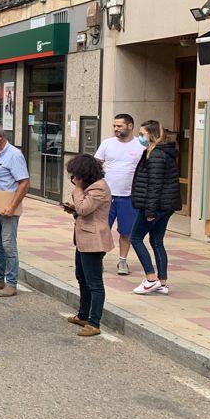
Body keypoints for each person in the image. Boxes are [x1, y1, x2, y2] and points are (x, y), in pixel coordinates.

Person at [62, 154, 113, 337]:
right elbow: (82, 210)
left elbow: (84, 209)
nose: (73, 179)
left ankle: (94, 322)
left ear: (84, 174)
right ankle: (83, 315)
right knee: (81, 277)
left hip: (94, 241)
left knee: (95, 283)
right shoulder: (90, 187)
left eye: (75, 175)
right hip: (83, 239)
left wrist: (77, 189)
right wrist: (73, 207)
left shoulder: (98, 188)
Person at [129, 120, 180, 295]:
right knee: (157, 241)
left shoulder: (156, 155)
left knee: (135, 238)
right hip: (165, 206)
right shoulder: (163, 152)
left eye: (142, 133)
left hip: (155, 206)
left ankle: (151, 279)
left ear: (151, 134)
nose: (139, 137)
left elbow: (155, 185)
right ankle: (163, 283)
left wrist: (150, 211)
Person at [0, 122, 30, 298]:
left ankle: (11, 283)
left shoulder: (14, 155)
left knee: (9, 245)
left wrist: (12, 206)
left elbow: (24, 182)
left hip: (7, 208)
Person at [94, 114, 145, 275]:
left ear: (130, 126)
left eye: (119, 126)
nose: (116, 129)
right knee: (102, 230)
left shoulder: (140, 146)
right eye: (114, 126)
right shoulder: (107, 144)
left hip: (129, 197)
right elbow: (96, 165)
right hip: (106, 198)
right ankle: (98, 260)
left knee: (126, 232)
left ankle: (122, 262)